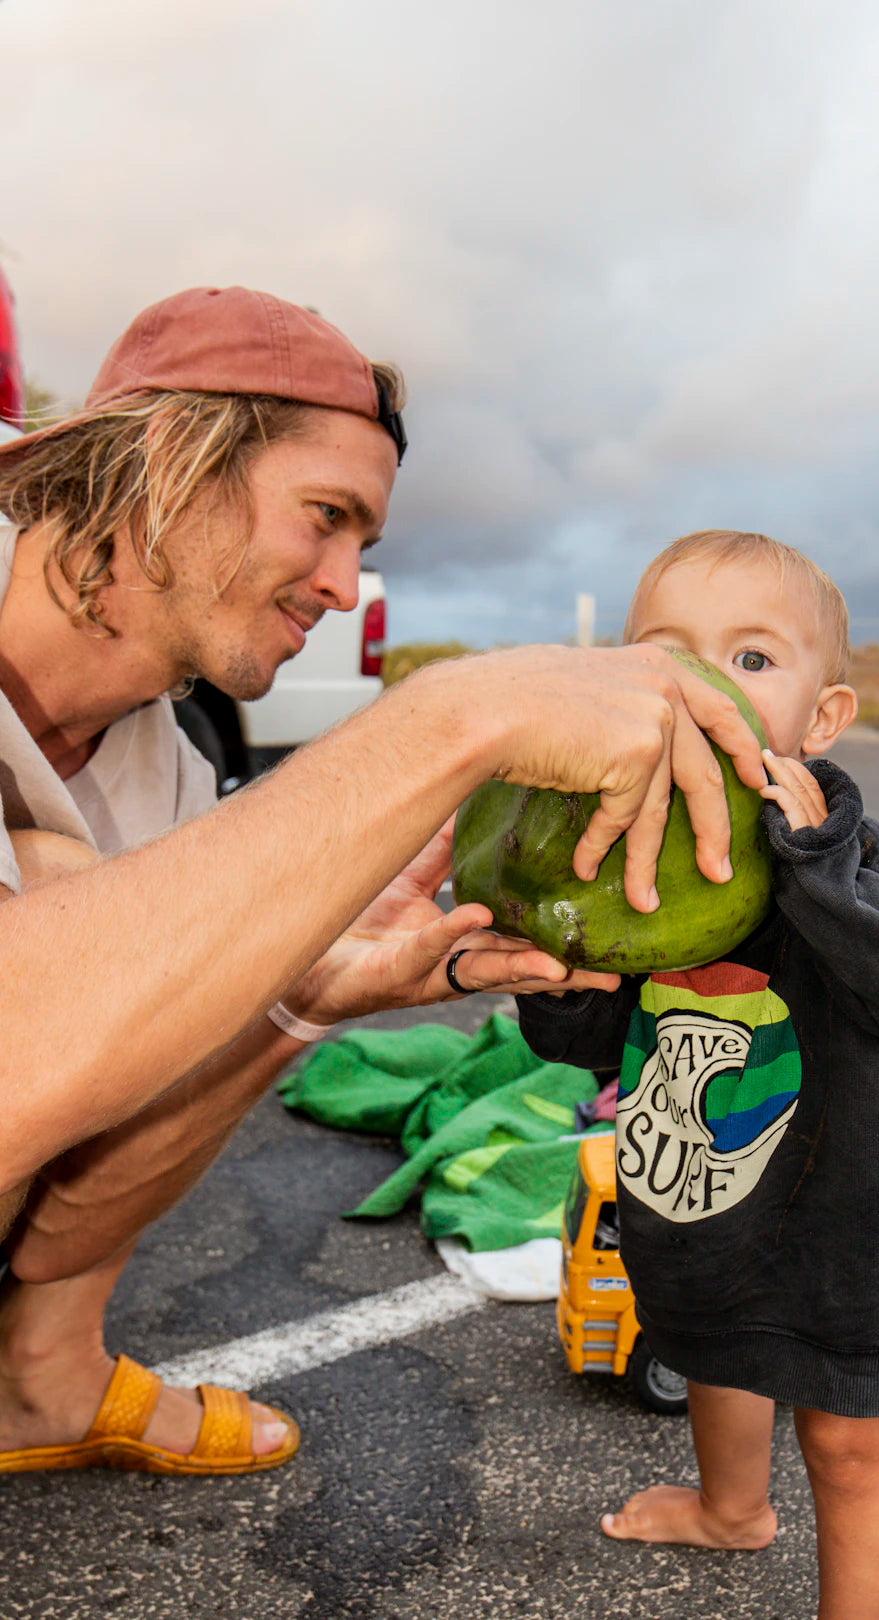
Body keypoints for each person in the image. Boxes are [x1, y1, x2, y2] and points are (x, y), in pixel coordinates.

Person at [0, 289, 771, 1477]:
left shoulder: (161, 771)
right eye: (325, 516)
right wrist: (451, 719)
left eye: (364, 543)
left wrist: (304, 998)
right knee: (75, 908)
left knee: (180, 957)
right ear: (171, 458)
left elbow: (65, 1182)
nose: (345, 585)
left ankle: (41, 1382)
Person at [517, 530, 879, 1620]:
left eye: (749, 659)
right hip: (707, 1205)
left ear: (822, 720)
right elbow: (581, 1048)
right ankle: (730, 1510)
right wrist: (561, 977)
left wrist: (822, 866)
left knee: (849, 1451)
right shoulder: (640, 851)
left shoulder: (855, 856)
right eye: (668, 651)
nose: (701, 681)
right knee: (715, 1358)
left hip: (852, 1231)